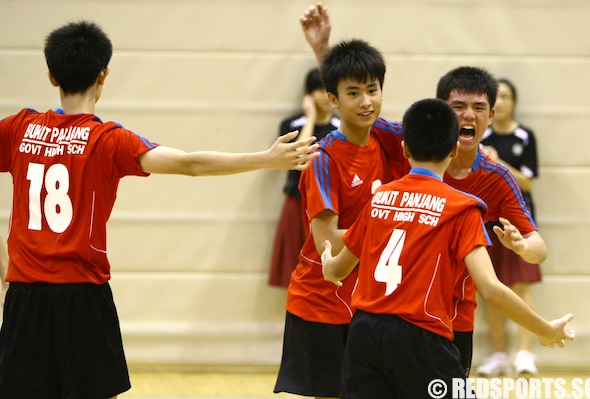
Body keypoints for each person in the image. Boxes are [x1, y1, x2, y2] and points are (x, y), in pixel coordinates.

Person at [0, 21, 320, 399]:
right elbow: (190, 163)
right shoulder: (109, 140)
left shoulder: (20, 129)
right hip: (82, 294)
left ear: (51, 76)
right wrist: (265, 159)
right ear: (104, 75)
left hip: (25, 295)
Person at [300, 2, 548, 377]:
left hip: (452, 316)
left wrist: (520, 246)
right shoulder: (416, 141)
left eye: (478, 107)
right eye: (457, 107)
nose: (467, 115)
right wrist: (323, 53)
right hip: (394, 311)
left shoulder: (496, 177)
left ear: (491, 116)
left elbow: (537, 249)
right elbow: (354, 103)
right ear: (440, 112)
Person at [320, 97, 574, 399]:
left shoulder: (379, 198)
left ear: (404, 149)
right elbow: (490, 288)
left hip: (363, 335)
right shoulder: (463, 208)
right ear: (454, 150)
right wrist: (544, 329)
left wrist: (325, 260)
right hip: (421, 338)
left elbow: (337, 269)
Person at [274, 39, 401, 399]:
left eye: (373, 90)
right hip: (323, 303)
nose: (366, 102)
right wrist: (392, 230)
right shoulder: (323, 159)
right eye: (354, 93)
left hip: (372, 303)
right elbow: (327, 242)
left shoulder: (387, 139)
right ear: (333, 100)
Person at [477, 78, 542, 376]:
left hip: (517, 222)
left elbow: (527, 181)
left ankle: (525, 354)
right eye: (496, 97)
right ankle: (500, 354)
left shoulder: (525, 136)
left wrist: (499, 162)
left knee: (520, 286)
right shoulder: (480, 136)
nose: (500, 102)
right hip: (487, 220)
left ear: (514, 102)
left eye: (506, 96)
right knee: (491, 287)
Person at [269, 67, 340, 288]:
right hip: (296, 203)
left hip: (327, 208)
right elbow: (299, 159)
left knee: (327, 269)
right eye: (319, 89)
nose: (324, 96)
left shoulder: (341, 128)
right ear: (309, 94)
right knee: (295, 269)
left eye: (328, 90)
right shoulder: (291, 126)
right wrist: (310, 118)